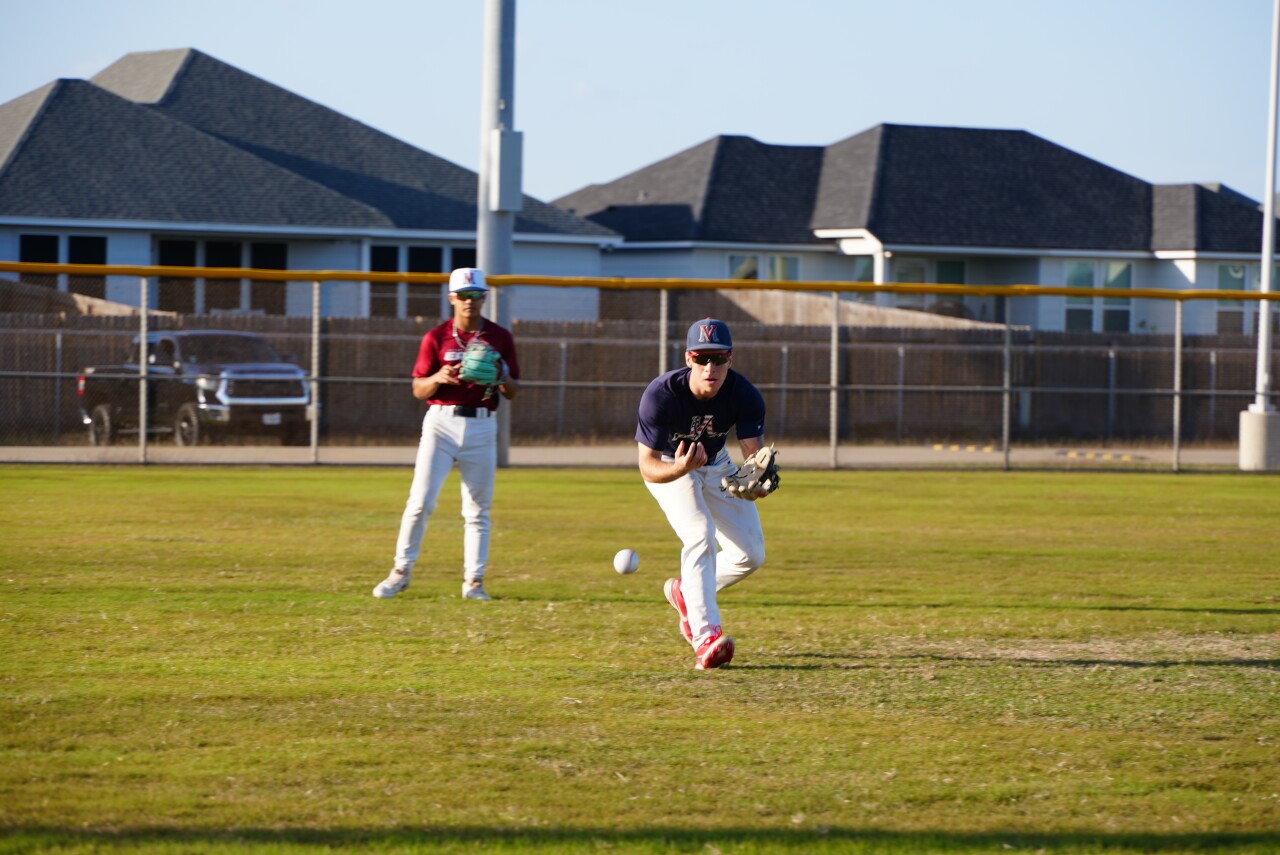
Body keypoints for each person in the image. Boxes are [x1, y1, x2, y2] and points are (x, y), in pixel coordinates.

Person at [372, 267, 520, 601]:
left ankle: (474, 581)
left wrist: (501, 376)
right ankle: (400, 572)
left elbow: (513, 391)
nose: (470, 302)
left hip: (482, 423)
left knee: (478, 509)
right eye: (464, 296)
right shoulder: (436, 337)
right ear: (452, 298)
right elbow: (418, 389)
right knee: (420, 501)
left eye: (477, 295)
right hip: (441, 422)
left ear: (484, 298)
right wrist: (438, 377)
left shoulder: (500, 337)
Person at [635, 318, 770, 669]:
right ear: (688, 358)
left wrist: (755, 482)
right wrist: (679, 469)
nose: (711, 367)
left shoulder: (744, 394)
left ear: (731, 359)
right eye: (702, 357)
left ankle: (685, 592)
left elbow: (753, 456)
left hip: (717, 462)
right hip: (671, 465)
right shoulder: (661, 394)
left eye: (719, 358)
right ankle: (705, 636)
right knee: (700, 535)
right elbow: (646, 466)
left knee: (750, 554)